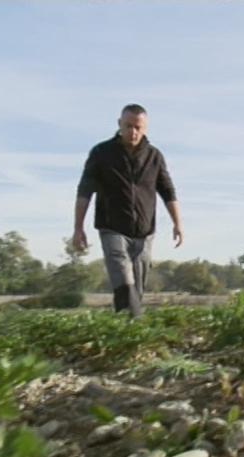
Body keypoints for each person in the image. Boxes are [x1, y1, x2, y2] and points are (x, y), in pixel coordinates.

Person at [72, 104, 183, 318]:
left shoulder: (154, 156)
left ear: (145, 128)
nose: (133, 132)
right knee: (122, 275)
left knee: (137, 288)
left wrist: (178, 223)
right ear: (119, 124)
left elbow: (168, 191)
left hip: (144, 232)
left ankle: (128, 328)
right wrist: (78, 228)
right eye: (128, 126)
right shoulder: (101, 153)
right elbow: (84, 191)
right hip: (111, 227)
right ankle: (134, 327)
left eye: (138, 127)